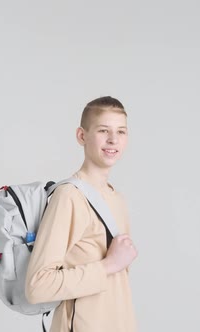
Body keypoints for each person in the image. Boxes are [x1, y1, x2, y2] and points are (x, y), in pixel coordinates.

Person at [25, 96, 138, 332]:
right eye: (103, 130)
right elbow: (37, 286)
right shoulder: (70, 196)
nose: (113, 139)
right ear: (81, 136)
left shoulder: (117, 198)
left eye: (121, 132)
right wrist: (108, 265)